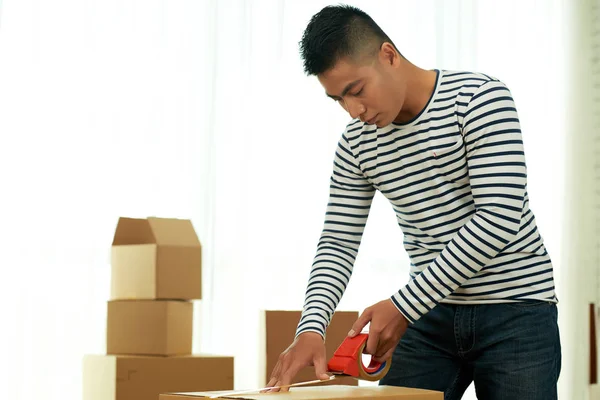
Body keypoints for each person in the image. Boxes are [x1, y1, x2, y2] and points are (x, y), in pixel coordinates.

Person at [266, 4, 561, 400]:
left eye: (356, 90)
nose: (353, 111)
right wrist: (311, 328)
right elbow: (337, 242)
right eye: (338, 99)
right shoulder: (356, 145)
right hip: (429, 314)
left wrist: (403, 306)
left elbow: (498, 218)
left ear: (388, 55)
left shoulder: (480, 99)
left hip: (517, 312)